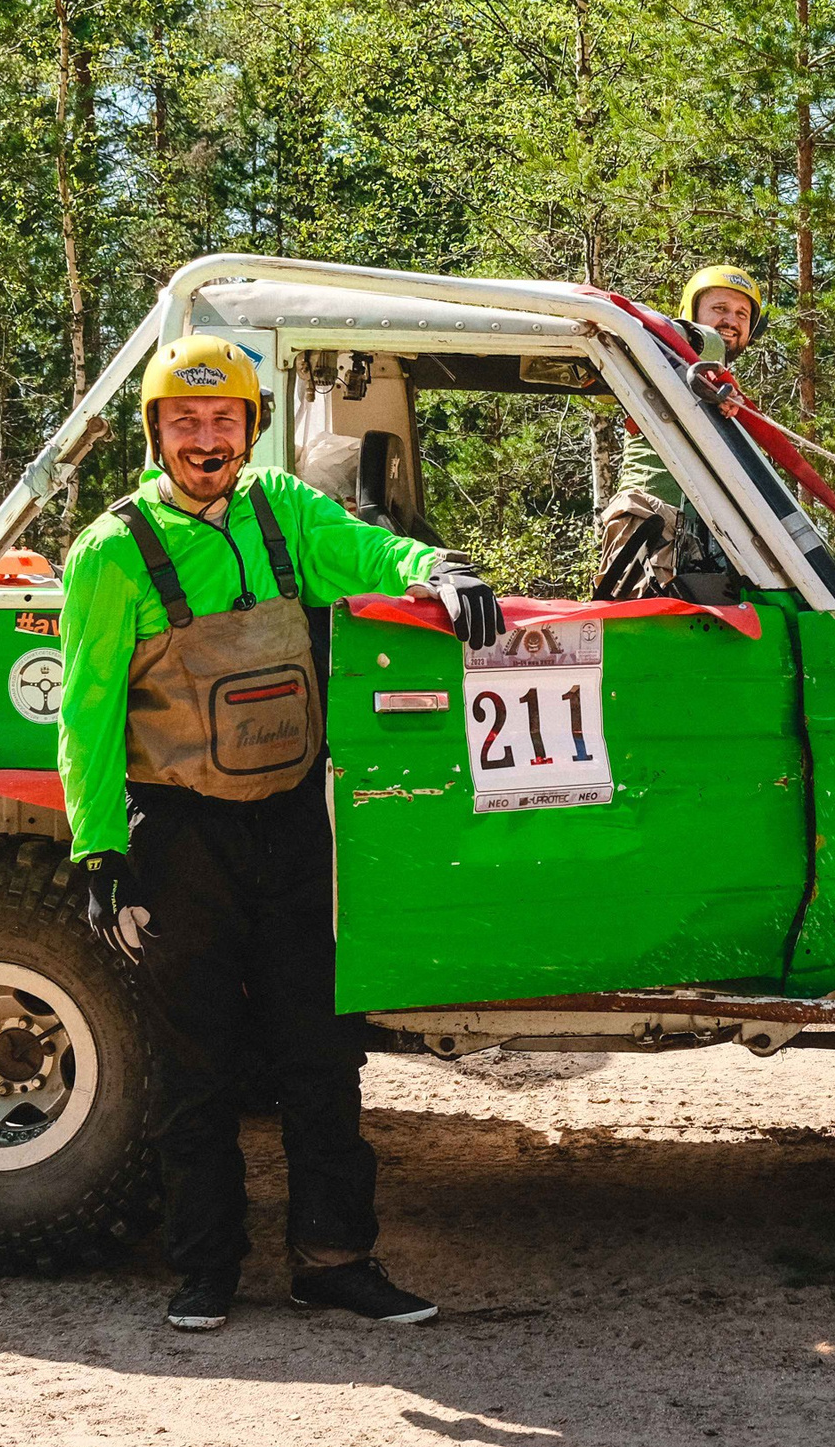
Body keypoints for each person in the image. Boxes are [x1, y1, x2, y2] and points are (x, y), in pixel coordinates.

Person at [57, 333, 505, 1332]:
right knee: (197, 1066)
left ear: (251, 428)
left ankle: (334, 1261)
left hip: (294, 826)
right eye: (185, 422)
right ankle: (204, 1272)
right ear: (156, 433)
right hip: (180, 838)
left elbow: (371, 554)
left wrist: (438, 566)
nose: (205, 439)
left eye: (223, 421)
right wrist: (98, 847)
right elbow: (85, 713)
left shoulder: (284, 511)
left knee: (319, 1053)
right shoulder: (112, 552)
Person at [596, 265, 769, 596]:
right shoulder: (655, 355)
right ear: (692, 312)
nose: (731, 320)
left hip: (710, 536)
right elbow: (616, 366)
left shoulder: (728, 392)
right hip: (651, 520)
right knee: (641, 630)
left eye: (741, 314)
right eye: (720, 308)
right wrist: (698, 345)